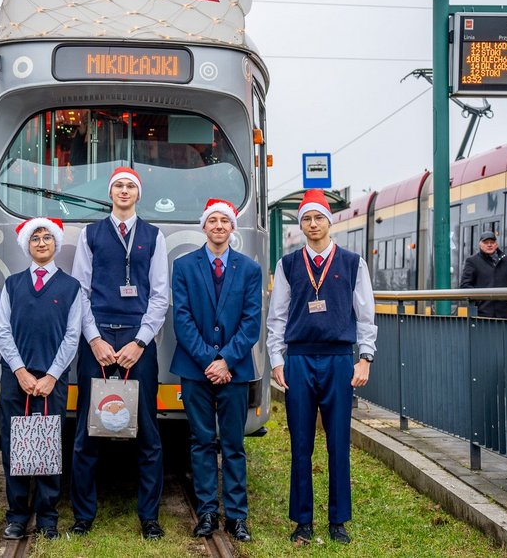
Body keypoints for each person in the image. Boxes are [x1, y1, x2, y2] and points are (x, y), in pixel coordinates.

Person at [266, 189, 377, 545]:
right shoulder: (287, 265)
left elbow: (366, 316)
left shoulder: (352, 263)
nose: (313, 225)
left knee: (338, 443)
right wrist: (276, 359)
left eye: (318, 218)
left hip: (339, 360)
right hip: (299, 359)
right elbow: (277, 317)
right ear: (301, 226)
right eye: (306, 220)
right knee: (301, 443)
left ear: (330, 221)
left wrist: (365, 357)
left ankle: (338, 520)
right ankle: (303, 522)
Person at [70, 166, 169, 540]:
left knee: (147, 431)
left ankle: (150, 517)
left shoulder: (153, 236)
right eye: (118, 186)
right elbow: (81, 290)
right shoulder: (91, 234)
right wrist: (94, 339)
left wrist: (140, 342)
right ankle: (83, 515)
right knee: (87, 430)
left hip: (136, 338)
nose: (124, 191)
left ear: (138, 194)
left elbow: (160, 295)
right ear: (110, 194)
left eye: (130, 186)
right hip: (97, 335)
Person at [171, 199, 261, 542]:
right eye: (213, 221)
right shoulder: (184, 266)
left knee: (234, 444)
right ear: (204, 227)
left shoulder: (249, 269)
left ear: (232, 227)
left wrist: (226, 360)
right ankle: (207, 510)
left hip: (235, 370)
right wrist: (209, 360)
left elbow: (251, 322)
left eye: (225, 220)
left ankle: (237, 516)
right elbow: (182, 318)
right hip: (195, 370)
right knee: (201, 441)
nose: (219, 226)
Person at [0, 217, 81, 541]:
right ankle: (17, 514)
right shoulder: (13, 284)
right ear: (27, 245)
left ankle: (47, 516)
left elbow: (72, 336)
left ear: (55, 244)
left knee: (48, 445)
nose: (41, 242)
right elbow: (2, 330)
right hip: (16, 377)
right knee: (13, 445)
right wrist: (19, 371)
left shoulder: (71, 287)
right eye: (35, 238)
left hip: (51, 380)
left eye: (47, 237)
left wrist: (51, 376)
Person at [460, 230, 507, 320]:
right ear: (480, 245)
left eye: (492, 242)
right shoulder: (472, 261)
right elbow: (465, 286)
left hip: (504, 316)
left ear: (496, 244)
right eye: (486, 242)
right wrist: (479, 300)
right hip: (481, 316)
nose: (489, 245)